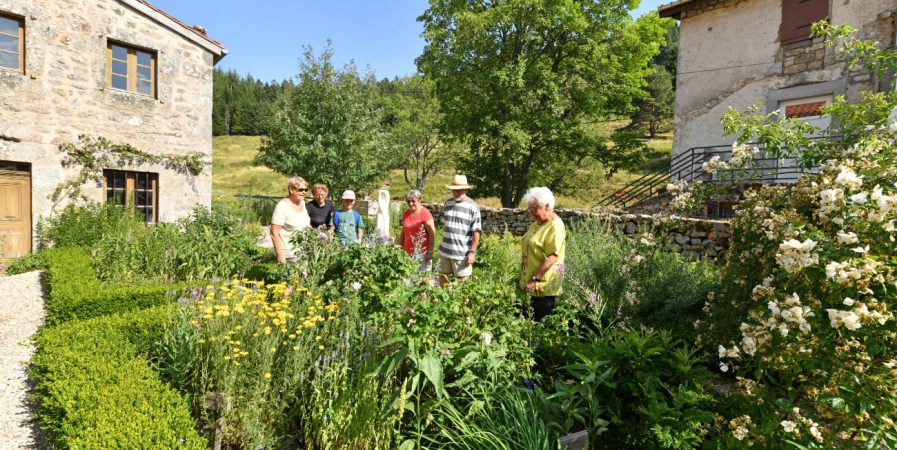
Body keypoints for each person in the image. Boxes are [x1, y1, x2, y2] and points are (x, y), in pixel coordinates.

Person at [519, 187, 566, 321]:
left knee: (542, 324)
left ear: (546, 206)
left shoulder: (555, 226)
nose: (531, 213)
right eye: (529, 209)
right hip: (530, 283)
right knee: (529, 323)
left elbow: (552, 256)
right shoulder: (537, 223)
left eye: (534, 209)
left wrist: (534, 279)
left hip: (542, 285)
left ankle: (538, 343)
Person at [437, 175, 481, 286]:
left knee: (462, 286)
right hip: (445, 251)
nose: (456, 193)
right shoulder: (448, 204)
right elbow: (445, 225)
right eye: (454, 190)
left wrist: (472, 252)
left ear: (466, 190)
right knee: (442, 282)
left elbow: (476, 232)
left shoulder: (473, 207)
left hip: (462, 254)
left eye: (459, 190)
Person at [271, 177, 311, 264]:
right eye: (300, 190)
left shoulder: (302, 203)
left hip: (304, 250)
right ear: (291, 190)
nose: (304, 192)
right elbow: (274, 233)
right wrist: (280, 255)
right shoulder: (282, 207)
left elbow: (305, 224)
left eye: (305, 190)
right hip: (289, 255)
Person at [397, 190, 436, 271]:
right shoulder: (406, 213)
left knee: (421, 279)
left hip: (422, 253)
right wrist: (399, 246)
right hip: (407, 252)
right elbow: (403, 231)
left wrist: (430, 252)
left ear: (419, 200)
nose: (410, 204)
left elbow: (432, 234)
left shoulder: (425, 214)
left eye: (413, 201)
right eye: (408, 201)